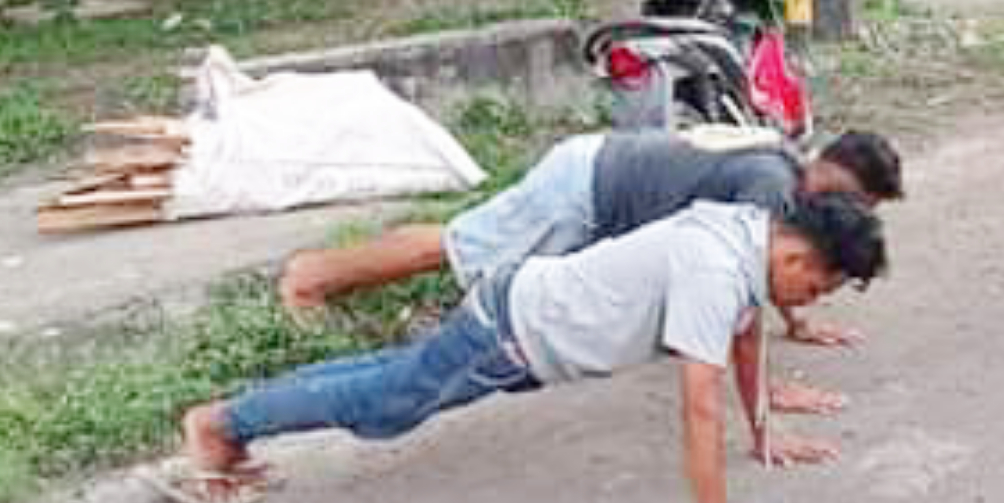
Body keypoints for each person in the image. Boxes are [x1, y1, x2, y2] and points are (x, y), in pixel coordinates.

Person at [158, 193, 889, 503]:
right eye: (818, 289)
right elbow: (699, 402)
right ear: (799, 260)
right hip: (510, 334)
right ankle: (221, 425)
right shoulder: (717, 268)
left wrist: (765, 430)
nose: (808, 304)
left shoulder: (746, 232)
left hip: (520, 327)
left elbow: (746, 332)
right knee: (385, 406)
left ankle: (233, 418)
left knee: (390, 385)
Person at [276, 127, 903, 364]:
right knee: (457, 245)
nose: (852, 214)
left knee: (470, 255)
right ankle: (312, 275)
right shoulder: (769, 186)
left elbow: (774, 270)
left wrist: (796, 321)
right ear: (836, 175)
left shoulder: (789, 167)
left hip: (600, 177)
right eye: (857, 200)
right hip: (584, 187)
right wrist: (767, 390)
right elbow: (743, 289)